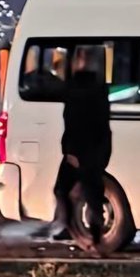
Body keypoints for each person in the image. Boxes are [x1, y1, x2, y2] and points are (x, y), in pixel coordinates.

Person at [53, 46, 112, 254]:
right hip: (98, 148)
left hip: (81, 150)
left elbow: (74, 122)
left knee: (65, 189)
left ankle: (81, 234)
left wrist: (71, 152)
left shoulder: (77, 87)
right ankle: (93, 238)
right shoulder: (99, 86)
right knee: (93, 194)